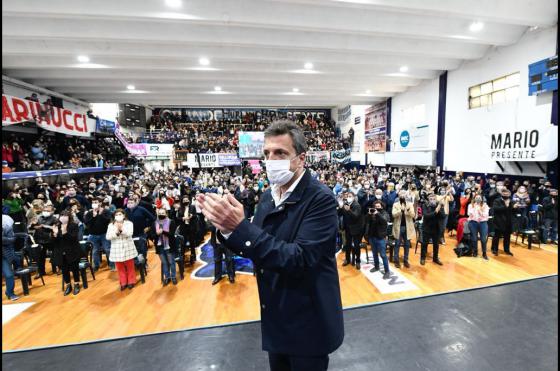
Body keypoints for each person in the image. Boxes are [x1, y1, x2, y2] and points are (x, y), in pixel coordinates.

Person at [197, 121, 343, 371]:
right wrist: (227, 228)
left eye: (280, 153)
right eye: (267, 154)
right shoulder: (268, 196)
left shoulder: (321, 199)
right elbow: (258, 247)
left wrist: (242, 227)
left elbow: (298, 258)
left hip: (309, 323)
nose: (271, 159)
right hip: (276, 315)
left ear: (301, 158)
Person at [52, 211, 83, 296]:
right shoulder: (57, 226)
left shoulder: (73, 226)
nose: (63, 217)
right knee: (64, 270)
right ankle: (68, 285)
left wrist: (64, 231)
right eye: (62, 215)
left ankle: (76, 284)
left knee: (74, 269)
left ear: (69, 217)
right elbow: (54, 242)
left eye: (65, 215)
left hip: (73, 251)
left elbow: (73, 238)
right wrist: (54, 234)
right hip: (61, 252)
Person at [106, 209, 138, 290]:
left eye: (120, 214)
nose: (118, 216)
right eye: (116, 214)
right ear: (114, 216)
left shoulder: (129, 223)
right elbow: (108, 237)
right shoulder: (111, 225)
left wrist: (121, 230)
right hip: (116, 248)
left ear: (124, 215)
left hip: (128, 246)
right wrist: (116, 232)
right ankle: (123, 282)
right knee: (119, 267)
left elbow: (130, 233)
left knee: (130, 265)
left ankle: (131, 281)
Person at [84, 197, 113, 271]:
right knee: (94, 251)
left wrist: (100, 215)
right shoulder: (89, 213)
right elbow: (87, 224)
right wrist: (93, 217)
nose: (94, 204)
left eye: (96, 202)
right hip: (93, 234)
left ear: (100, 203)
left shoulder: (106, 211)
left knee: (107, 249)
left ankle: (111, 264)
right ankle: (96, 265)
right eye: (93, 202)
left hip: (104, 234)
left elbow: (108, 221)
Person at [125, 195, 155, 267]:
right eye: (128, 202)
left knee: (142, 249)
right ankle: (136, 263)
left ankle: (144, 262)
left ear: (136, 203)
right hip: (129, 234)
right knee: (132, 249)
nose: (130, 203)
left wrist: (148, 227)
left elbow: (152, 218)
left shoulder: (142, 209)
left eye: (132, 202)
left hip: (141, 233)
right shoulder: (125, 211)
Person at [28, 204, 58, 277]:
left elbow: (56, 228)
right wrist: (32, 224)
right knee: (40, 256)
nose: (45, 212)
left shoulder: (54, 218)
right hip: (39, 239)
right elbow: (30, 228)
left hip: (50, 239)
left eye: (48, 211)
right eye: (44, 210)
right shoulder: (38, 218)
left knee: (55, 254)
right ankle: (41, 271)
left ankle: (58, 268)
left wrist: (44, 226)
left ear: (52, 211)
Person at [366, 200, 391, 279]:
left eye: (378, 206)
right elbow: (366, 221)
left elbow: (384, 222)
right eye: (375, 207)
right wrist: (369, 214)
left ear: (382, 206)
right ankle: (376, 267)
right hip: (372, 237)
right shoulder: (372, 213)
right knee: (374, 254)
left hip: (380, 238)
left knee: (383, 255)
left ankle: (387, 271)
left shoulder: (385, 213)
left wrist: (378, 214)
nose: (376, 208)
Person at [153, 208, 178, 285]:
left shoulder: (171, 222)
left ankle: (173, 276)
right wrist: (156, 234)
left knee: (171, 262)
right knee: (164, 263)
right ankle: (167, 277)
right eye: (159, 213)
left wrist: (163, 232)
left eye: (163, 213)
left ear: (166, 214)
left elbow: (172, 235)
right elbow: (152, 235)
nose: (161, 214)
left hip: (169, 245)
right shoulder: (155, 223)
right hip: (160, 246)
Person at [339, 191, 364, 270]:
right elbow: (339, 214)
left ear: (353, 197)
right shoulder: (345, 205)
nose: (348, 197)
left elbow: (356, 216)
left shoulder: (357, 205)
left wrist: (349, 210)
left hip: (356, 229)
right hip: (347, 228)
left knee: (356, 246)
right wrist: (340, 207)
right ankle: (347, 259)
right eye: (347, 196)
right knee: (347, 245)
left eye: (350, 196)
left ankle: (358, 261)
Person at [392, 191, 415, 268]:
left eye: (404, 194)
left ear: (406, 195)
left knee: (407, 245)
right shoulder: (395, 204)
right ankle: (396, 260)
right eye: (401, 194)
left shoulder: (410, 204)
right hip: (398, 227)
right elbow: (393, 214)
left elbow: (413, 215)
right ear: (399, 195)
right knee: (397, 244)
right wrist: (400, 211)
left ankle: (406, 260)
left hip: (408, 227)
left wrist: (408, 210)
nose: (403, 195)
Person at [420, 193, 444, 266]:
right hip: (427, 228)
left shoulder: (439, 206)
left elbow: (443, 216)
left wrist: (439, 210)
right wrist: (435, 211)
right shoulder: (425, 206)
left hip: (436, 229)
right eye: (431, 199)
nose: (432, 200)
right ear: (428, 200)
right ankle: (422, 258)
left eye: (434, 199)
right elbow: (426, 216)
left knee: (436, 245)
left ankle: (435, 258)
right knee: (424, 244)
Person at [491, 189, 514, 256]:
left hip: (508, 222)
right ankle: (495, 249)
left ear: (509, 194)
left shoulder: (511, 201)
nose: (506, 195)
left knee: (507, 237)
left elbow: (514, 211)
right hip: (499, 222)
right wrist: (505, 206)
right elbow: (495, 209)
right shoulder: (497, 200)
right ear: (501, 194)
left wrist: (515, 208)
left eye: (507, 194)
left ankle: (507, 250)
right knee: (496, 237)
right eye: (504, 194)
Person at [2, 213, 20, 301]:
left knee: (9, 275)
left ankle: (10, 293)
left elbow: (12, 239)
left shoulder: (6, 225)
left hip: (4, 255)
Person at [468, 195, 490, 260]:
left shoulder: (485, 206)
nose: (478, 199)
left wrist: (480, 210)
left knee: (483, 239)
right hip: (473, 223)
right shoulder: (470, 205)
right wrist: (475, 207)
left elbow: (485, 215)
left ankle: (484, 253)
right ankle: (475, 251)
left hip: (483, 223)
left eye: (479, 198)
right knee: (474, 238)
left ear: (482, 199)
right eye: (476, 198)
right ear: (474, 199)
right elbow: (469, 213)